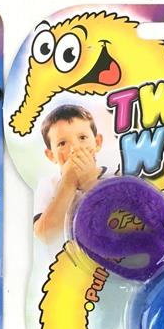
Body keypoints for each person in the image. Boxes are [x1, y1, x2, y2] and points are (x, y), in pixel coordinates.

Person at [33, 105, 106, 244]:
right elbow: (45, 236)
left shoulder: (114, 176)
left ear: (97, 143)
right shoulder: (48, 185)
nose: (75, 148)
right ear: (51, 155)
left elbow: (117, 220)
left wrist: (90, 182)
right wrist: (68, 182)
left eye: (82, 137)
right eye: (62, 143)